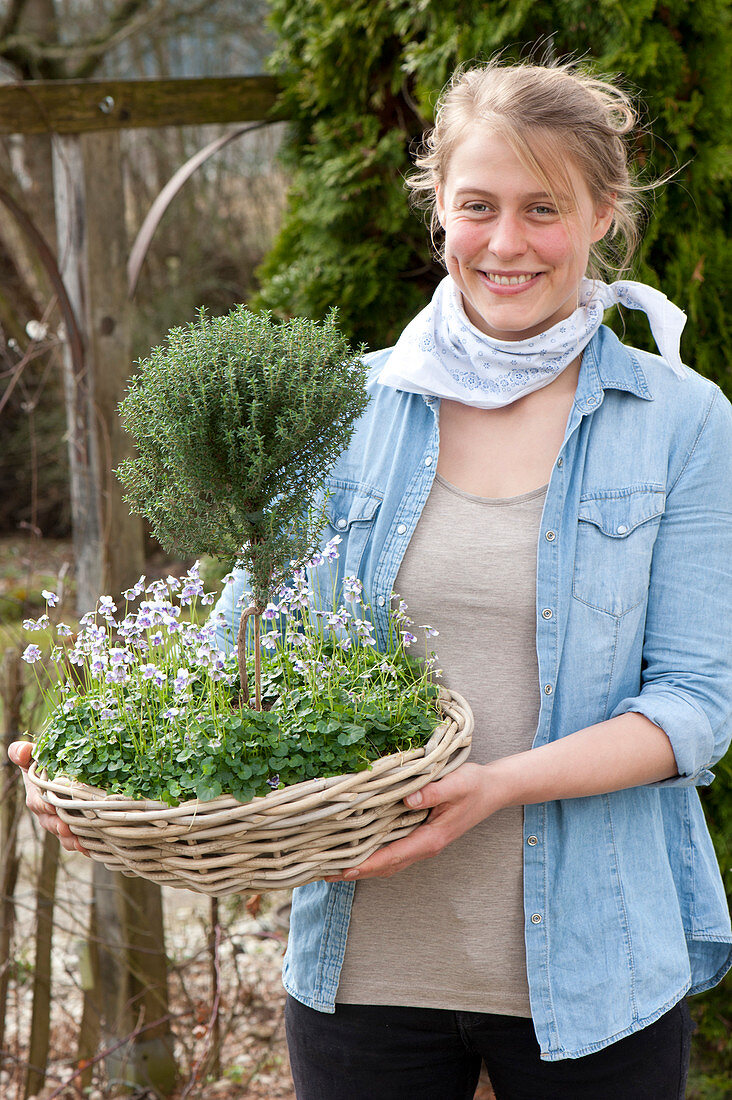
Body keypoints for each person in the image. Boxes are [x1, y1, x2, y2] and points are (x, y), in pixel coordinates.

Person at [11, 57, 732, 1099]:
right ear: (438, 209)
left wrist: (495, 786)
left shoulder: (680, 419)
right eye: (476, 205)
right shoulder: (342, 406)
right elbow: (237, 650)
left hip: (597, 965)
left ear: (604, 213)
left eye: (543, 208)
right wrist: (100, 766)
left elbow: (696, 706)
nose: (506, 242)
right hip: (364, 966)